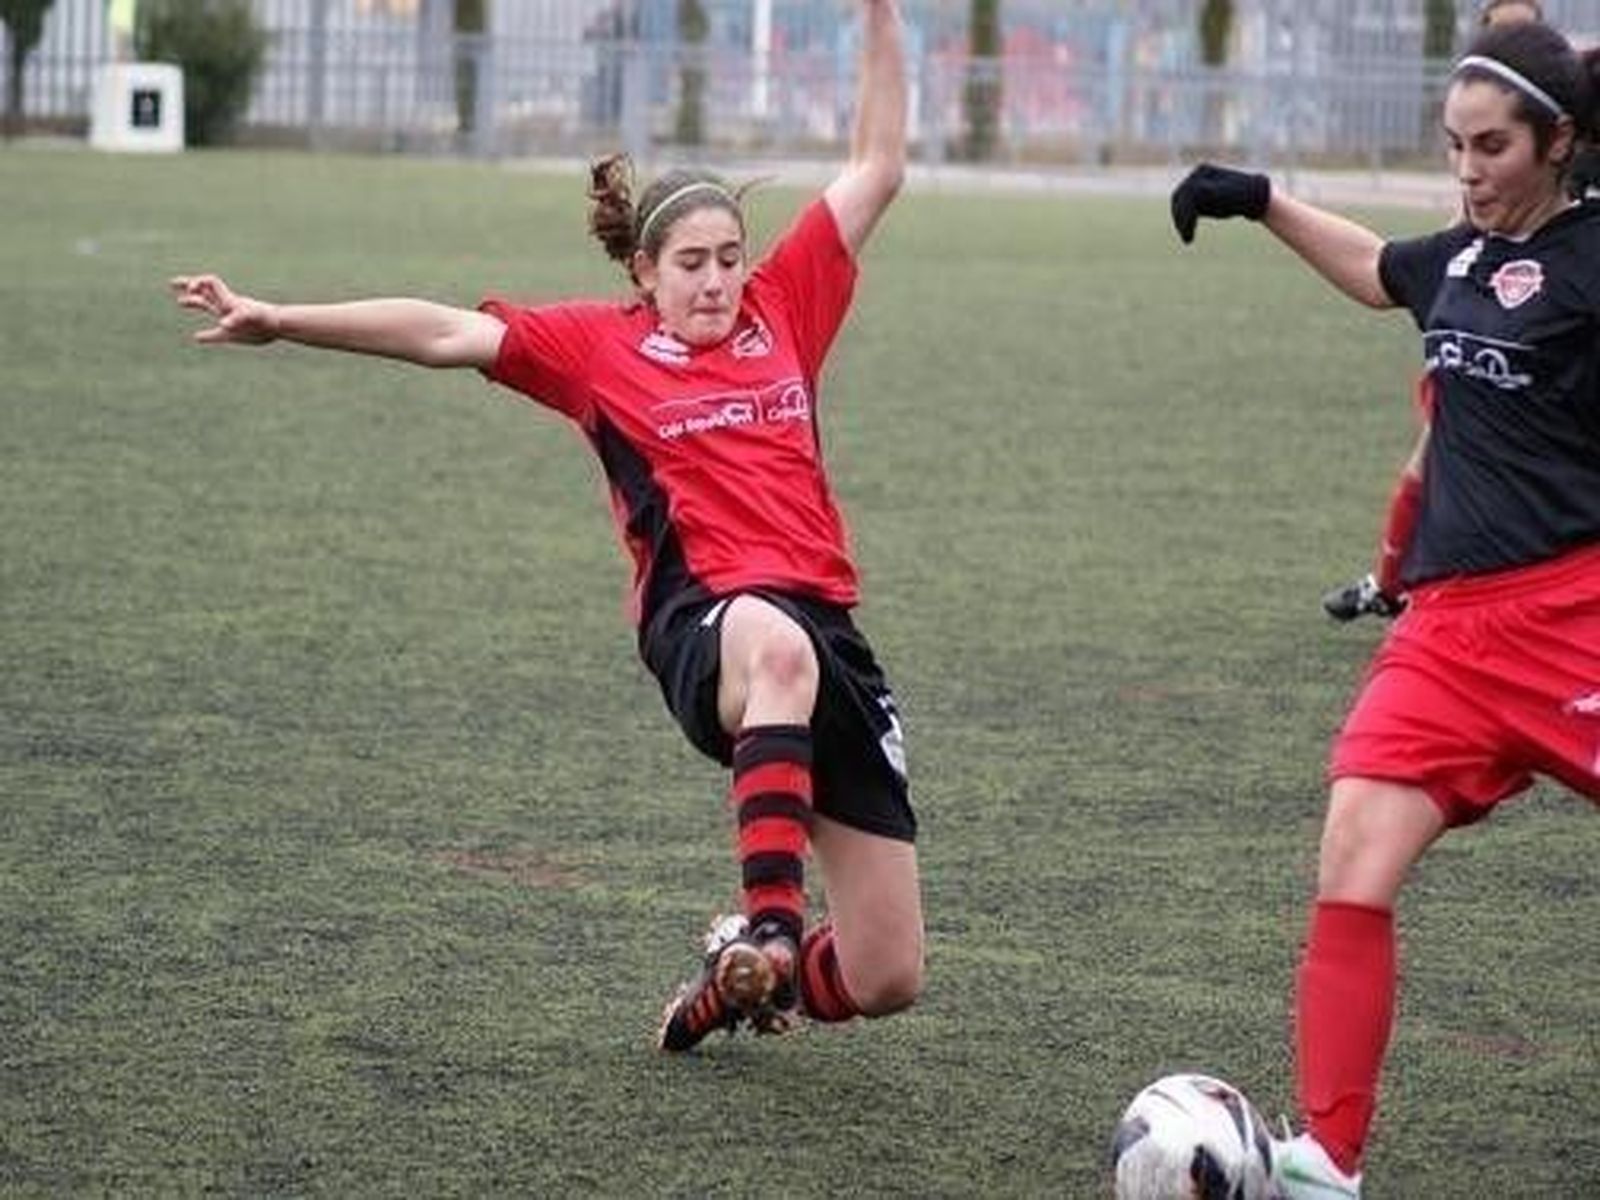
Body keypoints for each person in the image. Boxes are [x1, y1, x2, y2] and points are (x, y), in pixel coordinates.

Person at [169, 0, 923, 1054]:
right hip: (707, 625)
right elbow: (443, 332)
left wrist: (880, 13)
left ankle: (738, 981)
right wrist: (282, 319)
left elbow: (878, 164)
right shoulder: (598, 349)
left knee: (889, 975)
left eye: (728, 257)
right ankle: (770, 928)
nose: (715, 279)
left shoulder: (785, 307)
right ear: (644, 273)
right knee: (776, 646)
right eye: (691, 262)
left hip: (825, 632)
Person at [1172, 18, 1600, 1199]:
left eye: (1490, 146)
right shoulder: (1461, 258)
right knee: (1354, 847)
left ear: (1558, 142)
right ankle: (1326, 1161)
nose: (1466, 170)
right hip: (1448, 637)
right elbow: (1377, 271)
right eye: (1452, 145)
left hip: (1576, 616)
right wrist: (1263, 200)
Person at [1321, 0, 1548, 624]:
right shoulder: (1486, 135)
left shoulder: (1565, 126)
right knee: (1429, 460)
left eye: (1523, 29)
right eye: (1499, 30)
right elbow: (1451, 241)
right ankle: (1390, 584)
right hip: (1500, 333)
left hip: (1560, 352)